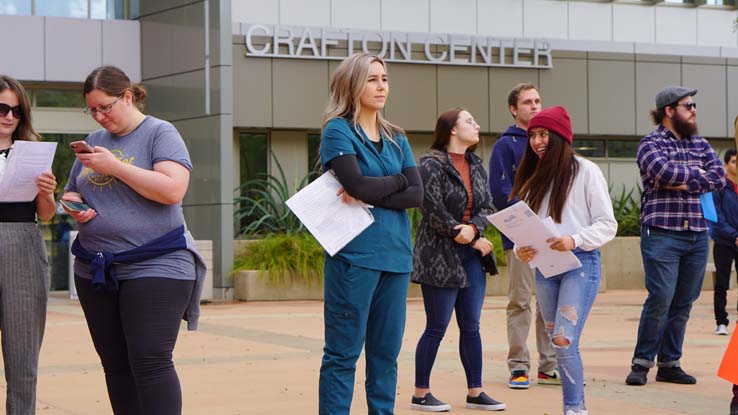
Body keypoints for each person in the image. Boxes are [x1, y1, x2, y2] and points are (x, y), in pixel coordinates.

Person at [61, 65, 206, 415]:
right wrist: (74, 207)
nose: (98, 116)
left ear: (127, 97)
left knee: (150, 361)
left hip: (157, 264)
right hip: (96, 268)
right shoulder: (94, 142)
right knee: (115, 364)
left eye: (105, 107)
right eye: (92, 109)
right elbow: (72, 189)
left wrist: (115, 167)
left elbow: (173, 189)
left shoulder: (160, 133)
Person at [318, 53, 423, 415]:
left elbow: (418, 194)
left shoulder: (397, 137)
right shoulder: (338, 131)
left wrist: (373, 189)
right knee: (343, 353)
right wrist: (396, 181)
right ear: (352, 85)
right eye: (371, 79)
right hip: (355, 258)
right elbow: (359, 184)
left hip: (395, 257)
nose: (381, 86)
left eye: (384, 78)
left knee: (385, 355)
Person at [511, 106, 617, 415]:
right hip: (545, 269)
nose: (537, 141)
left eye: (544, 134)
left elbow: (607, 224)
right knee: (559, 343)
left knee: (563, 339)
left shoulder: (586, 171)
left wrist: (575, 239)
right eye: (532, 135)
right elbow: (524, 234)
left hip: (580, 265)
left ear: (561, 137)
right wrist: (522, 251)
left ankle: (575, 409)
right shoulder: (532, 179)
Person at [625, 86, 725, 386]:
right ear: (669, 110)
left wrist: (686, 179)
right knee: (661, 298)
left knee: (684, 301)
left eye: (694, 105)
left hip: (696, 232)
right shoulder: (650, 144)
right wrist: (697, 176)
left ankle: (669, 363)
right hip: (662, 233)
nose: (694, 110)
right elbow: (662, 174)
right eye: (688, 105)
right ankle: (641, 363)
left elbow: (719, 177)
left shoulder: (701, 143)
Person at [410, 108, 505, 412]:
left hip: (471, 255)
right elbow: (430, 207)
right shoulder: (430, 164)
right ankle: (420, 393)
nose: (476, 125)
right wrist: (460, 232)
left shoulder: (476, 164)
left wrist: (475, 229)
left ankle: (475, 392)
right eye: (469, 121)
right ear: (451, 129)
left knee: (471, 326)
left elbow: (488, 205)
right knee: (436, 326)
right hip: (439, 254)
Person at [489, 83, 558, 389]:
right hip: (521, 238)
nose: (534, 106)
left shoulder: (551, 145)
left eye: (538, 101)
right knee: (520, 302)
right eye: (527, 102)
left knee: (549, 303)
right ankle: (519, 366)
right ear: (513, 109)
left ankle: (549, 366)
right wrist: (527, 217)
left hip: (554, 235)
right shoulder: (506, 145)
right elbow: (499, 190)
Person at [0, 75, 57, 414]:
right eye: (2, 108)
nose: (9, 117)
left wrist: (47, 192)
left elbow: (46, 215)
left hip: (23, 242)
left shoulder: (33, 152)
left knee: (23, 358)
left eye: (17, 111)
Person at [710, 149, 738, 336]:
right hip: (724, 242)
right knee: (722, 283)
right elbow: (717, 218)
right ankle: (721, 322)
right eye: (734, 161)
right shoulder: (719, 187)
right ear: (726, 164)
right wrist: (734, 236)